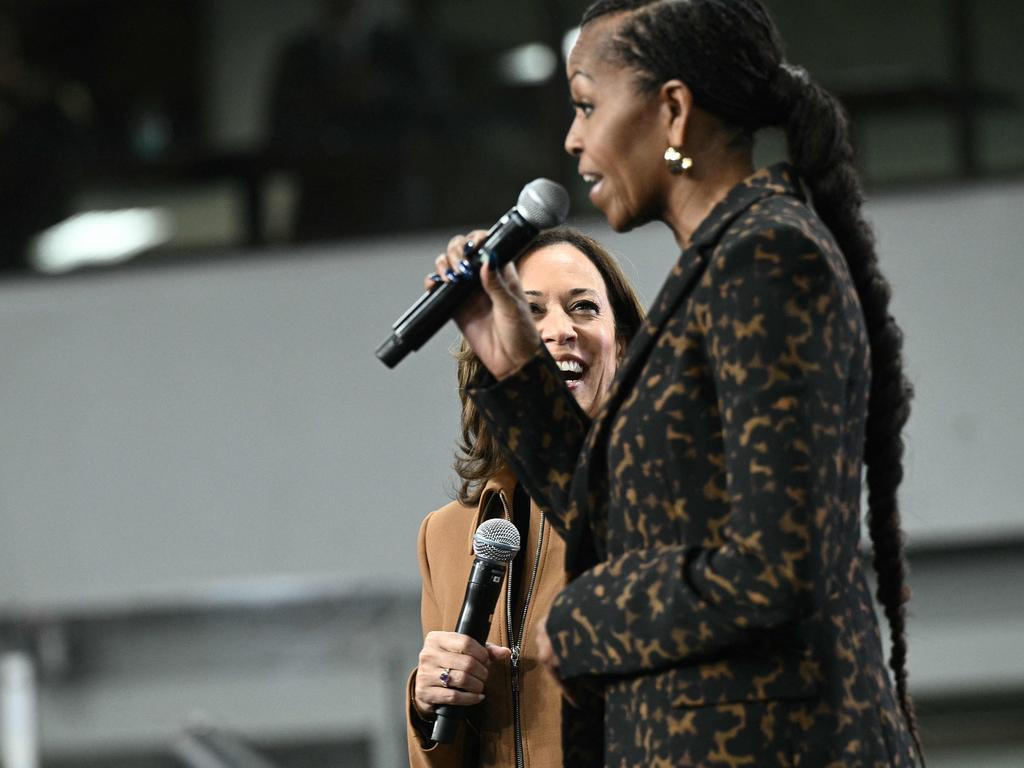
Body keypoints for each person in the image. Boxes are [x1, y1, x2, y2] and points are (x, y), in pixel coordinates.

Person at [430, 1, 925, 765]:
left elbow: (779, 564)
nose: (573, 139)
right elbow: (627, 527)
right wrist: (519, 371)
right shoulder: (714, 274)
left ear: (671, 111)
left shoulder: (767, 260)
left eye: (588, 105)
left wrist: (585, 619)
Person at [406, 228, 646, 768]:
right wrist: (429, 703)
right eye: (529, 311)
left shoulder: (659, 497)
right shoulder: (444, 536)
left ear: (624, 344)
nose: (559, 331)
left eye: (583, 307)